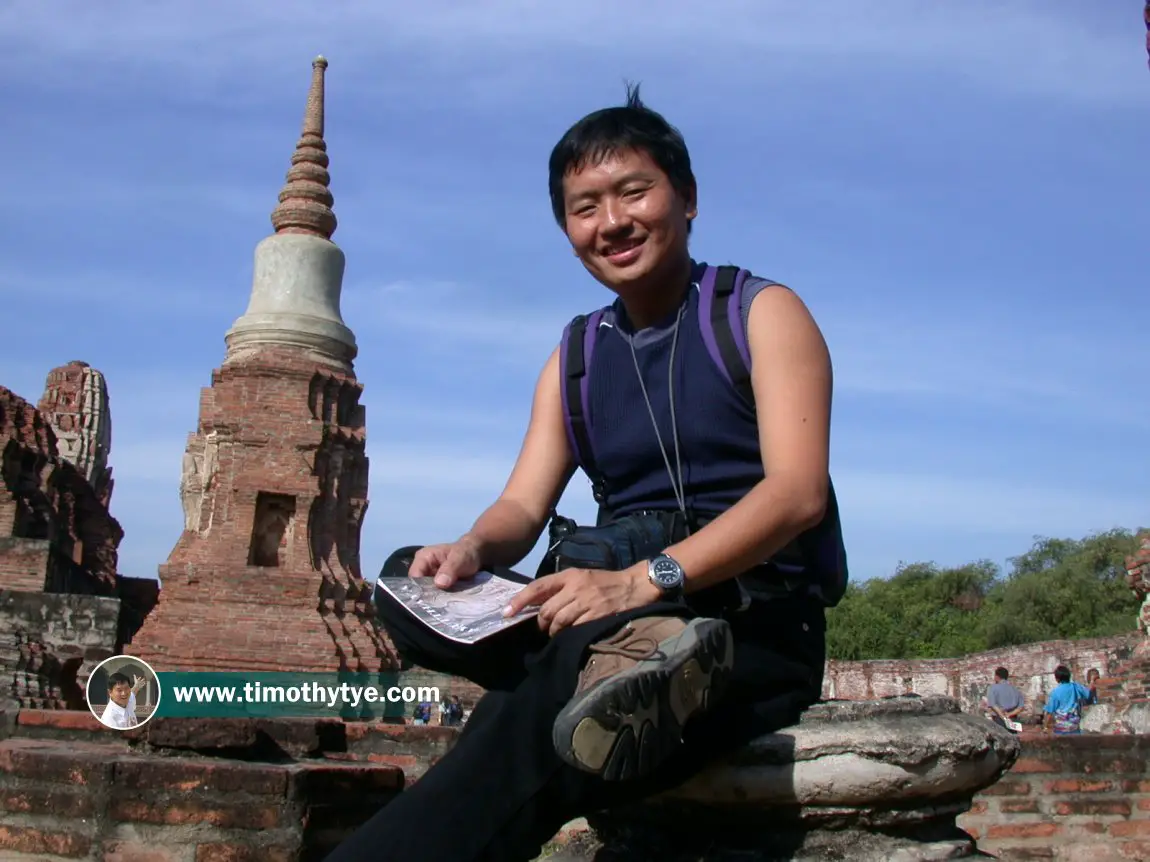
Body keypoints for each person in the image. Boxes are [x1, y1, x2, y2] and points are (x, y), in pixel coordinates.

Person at [326, 85, 848, 862]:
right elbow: (521, 507)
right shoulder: (575, 356)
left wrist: (644, 581)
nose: (612, 223)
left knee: (536, 710)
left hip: (747, 622)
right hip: (613, 610)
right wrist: (470, 549)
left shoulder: (758, 314)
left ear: (688, 198)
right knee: (410, 581)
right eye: (585, 207)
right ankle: (628, 656)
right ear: (567, 229)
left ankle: (638, 659)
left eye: (634, 192)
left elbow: (797, 493)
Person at [1042, 665, 1092, 735]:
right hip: (1074, 726)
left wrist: (1045, 727)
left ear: (1057, 679)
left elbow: (1049, 711)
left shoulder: (1055, 692)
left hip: (1061, 728)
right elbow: (1089, 695)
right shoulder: (1076, 686)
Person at [984, 667, 1025, 732]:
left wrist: (1004, 718)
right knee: (1013, 739)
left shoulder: (993, 688)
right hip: (1013, 719)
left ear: (997, 677)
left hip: (999, 720)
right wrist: (1009, 714)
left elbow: (993, 705)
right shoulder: (1015, 689)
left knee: (1000, 739)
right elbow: (1021, 707)